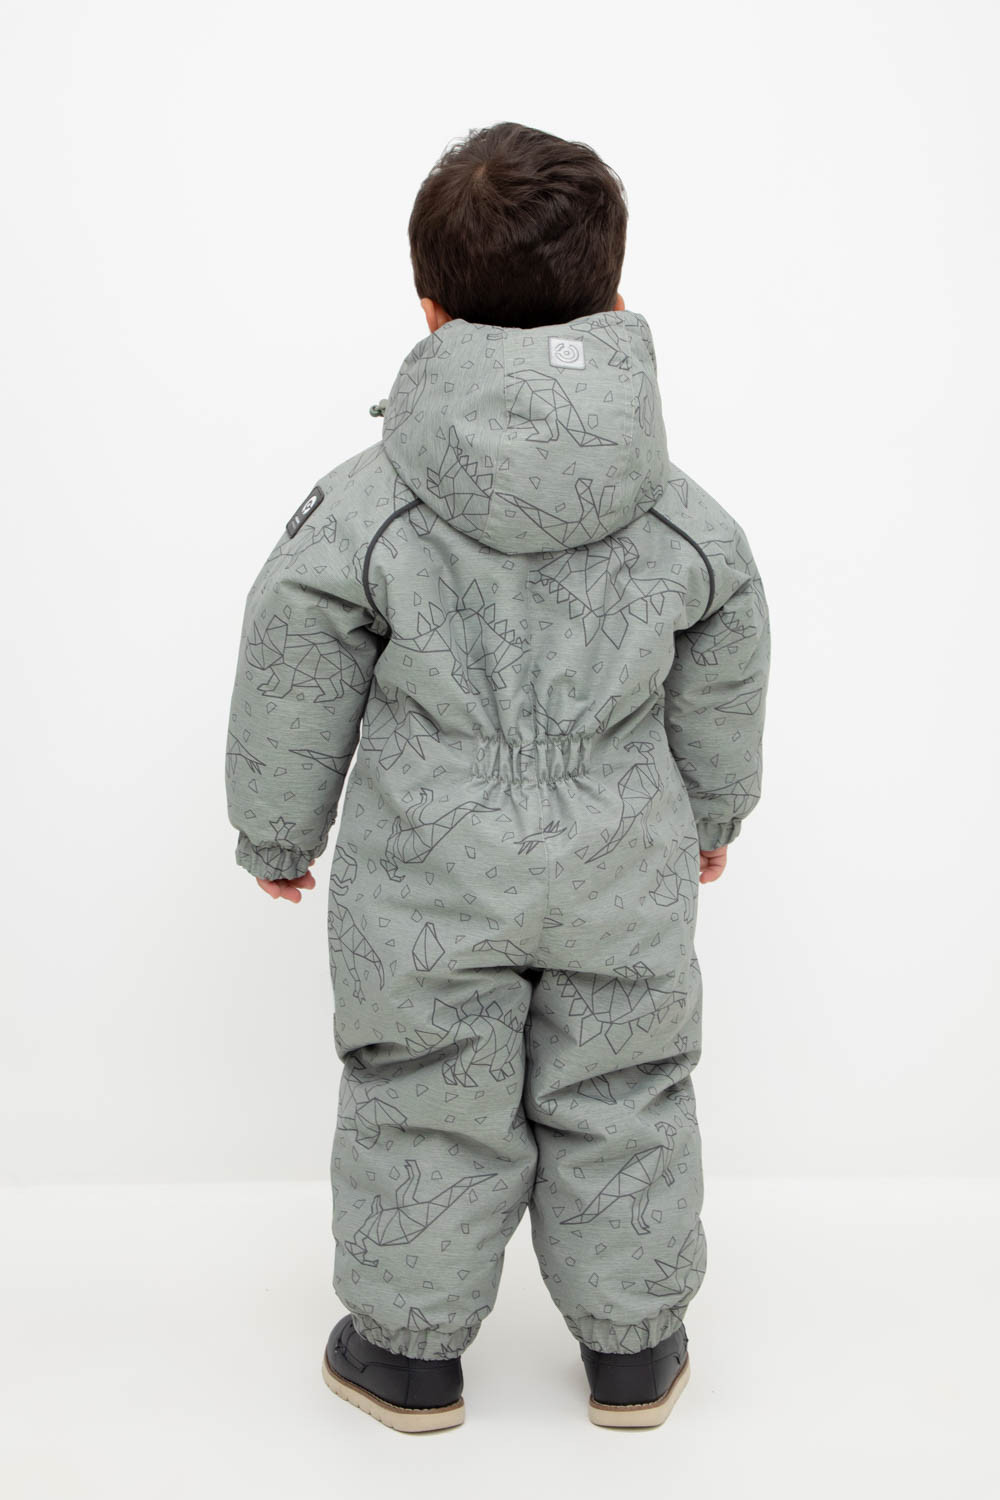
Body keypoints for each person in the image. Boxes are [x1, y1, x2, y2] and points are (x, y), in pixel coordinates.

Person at [224, 121, 770, 1433]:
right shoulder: (682, 513)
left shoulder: (367, 505)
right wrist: (712, 811)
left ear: (428, 310)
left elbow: (293, 655)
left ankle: (407, 1360)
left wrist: (277, 832)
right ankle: (635, 1355)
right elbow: (729, 651)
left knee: (425, 1092)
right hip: (620, 860)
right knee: (626, 1091)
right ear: (617, 300)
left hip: (429, 869)